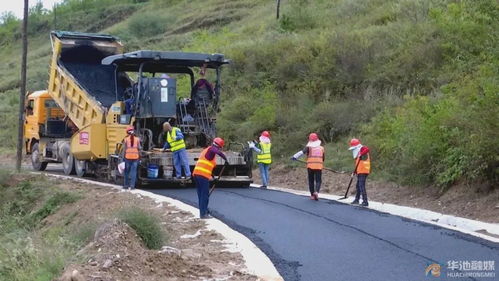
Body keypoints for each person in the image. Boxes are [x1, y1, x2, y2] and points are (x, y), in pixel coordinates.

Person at [192, 137, 228, 219]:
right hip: (202, 175)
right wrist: (225, 158)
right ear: (219, 146)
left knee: (201, 195)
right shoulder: (212, 149)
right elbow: (216, 151)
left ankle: (204, 211)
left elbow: (207, 166)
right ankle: (203, 214)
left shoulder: (207, 150)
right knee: (204, 195)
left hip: (197, 174)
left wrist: (213, 177)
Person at [291, 133, 324, 201]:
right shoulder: (322, 148)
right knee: (318, 180)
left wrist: (294, 157)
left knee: (311, 180)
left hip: (310, 166)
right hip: (319, 166)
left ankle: (312, 195)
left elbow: (302, 152)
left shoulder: (308, 147)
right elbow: (323, 158)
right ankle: (316, 192)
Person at [348, 138, 371, 206]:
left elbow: (367, 149)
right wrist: (354, 172)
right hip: (360, 171)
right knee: (358, 186)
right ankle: (357, 199)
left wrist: (361, 154)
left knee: (361, 185)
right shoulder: (358, 154)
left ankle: (365, 201)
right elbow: (358, 164)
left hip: (364, 171)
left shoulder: (362, 148)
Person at [121, 125, 141, 190]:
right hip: (135, 158)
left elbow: (124, 149)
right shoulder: (137, 139)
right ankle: (132, 186)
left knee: (126, 172)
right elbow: (139, 148)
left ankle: (126, 186)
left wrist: (122, 158)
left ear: (127, 132)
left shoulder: (126, 139)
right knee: (133, 172)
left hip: (127, 158)